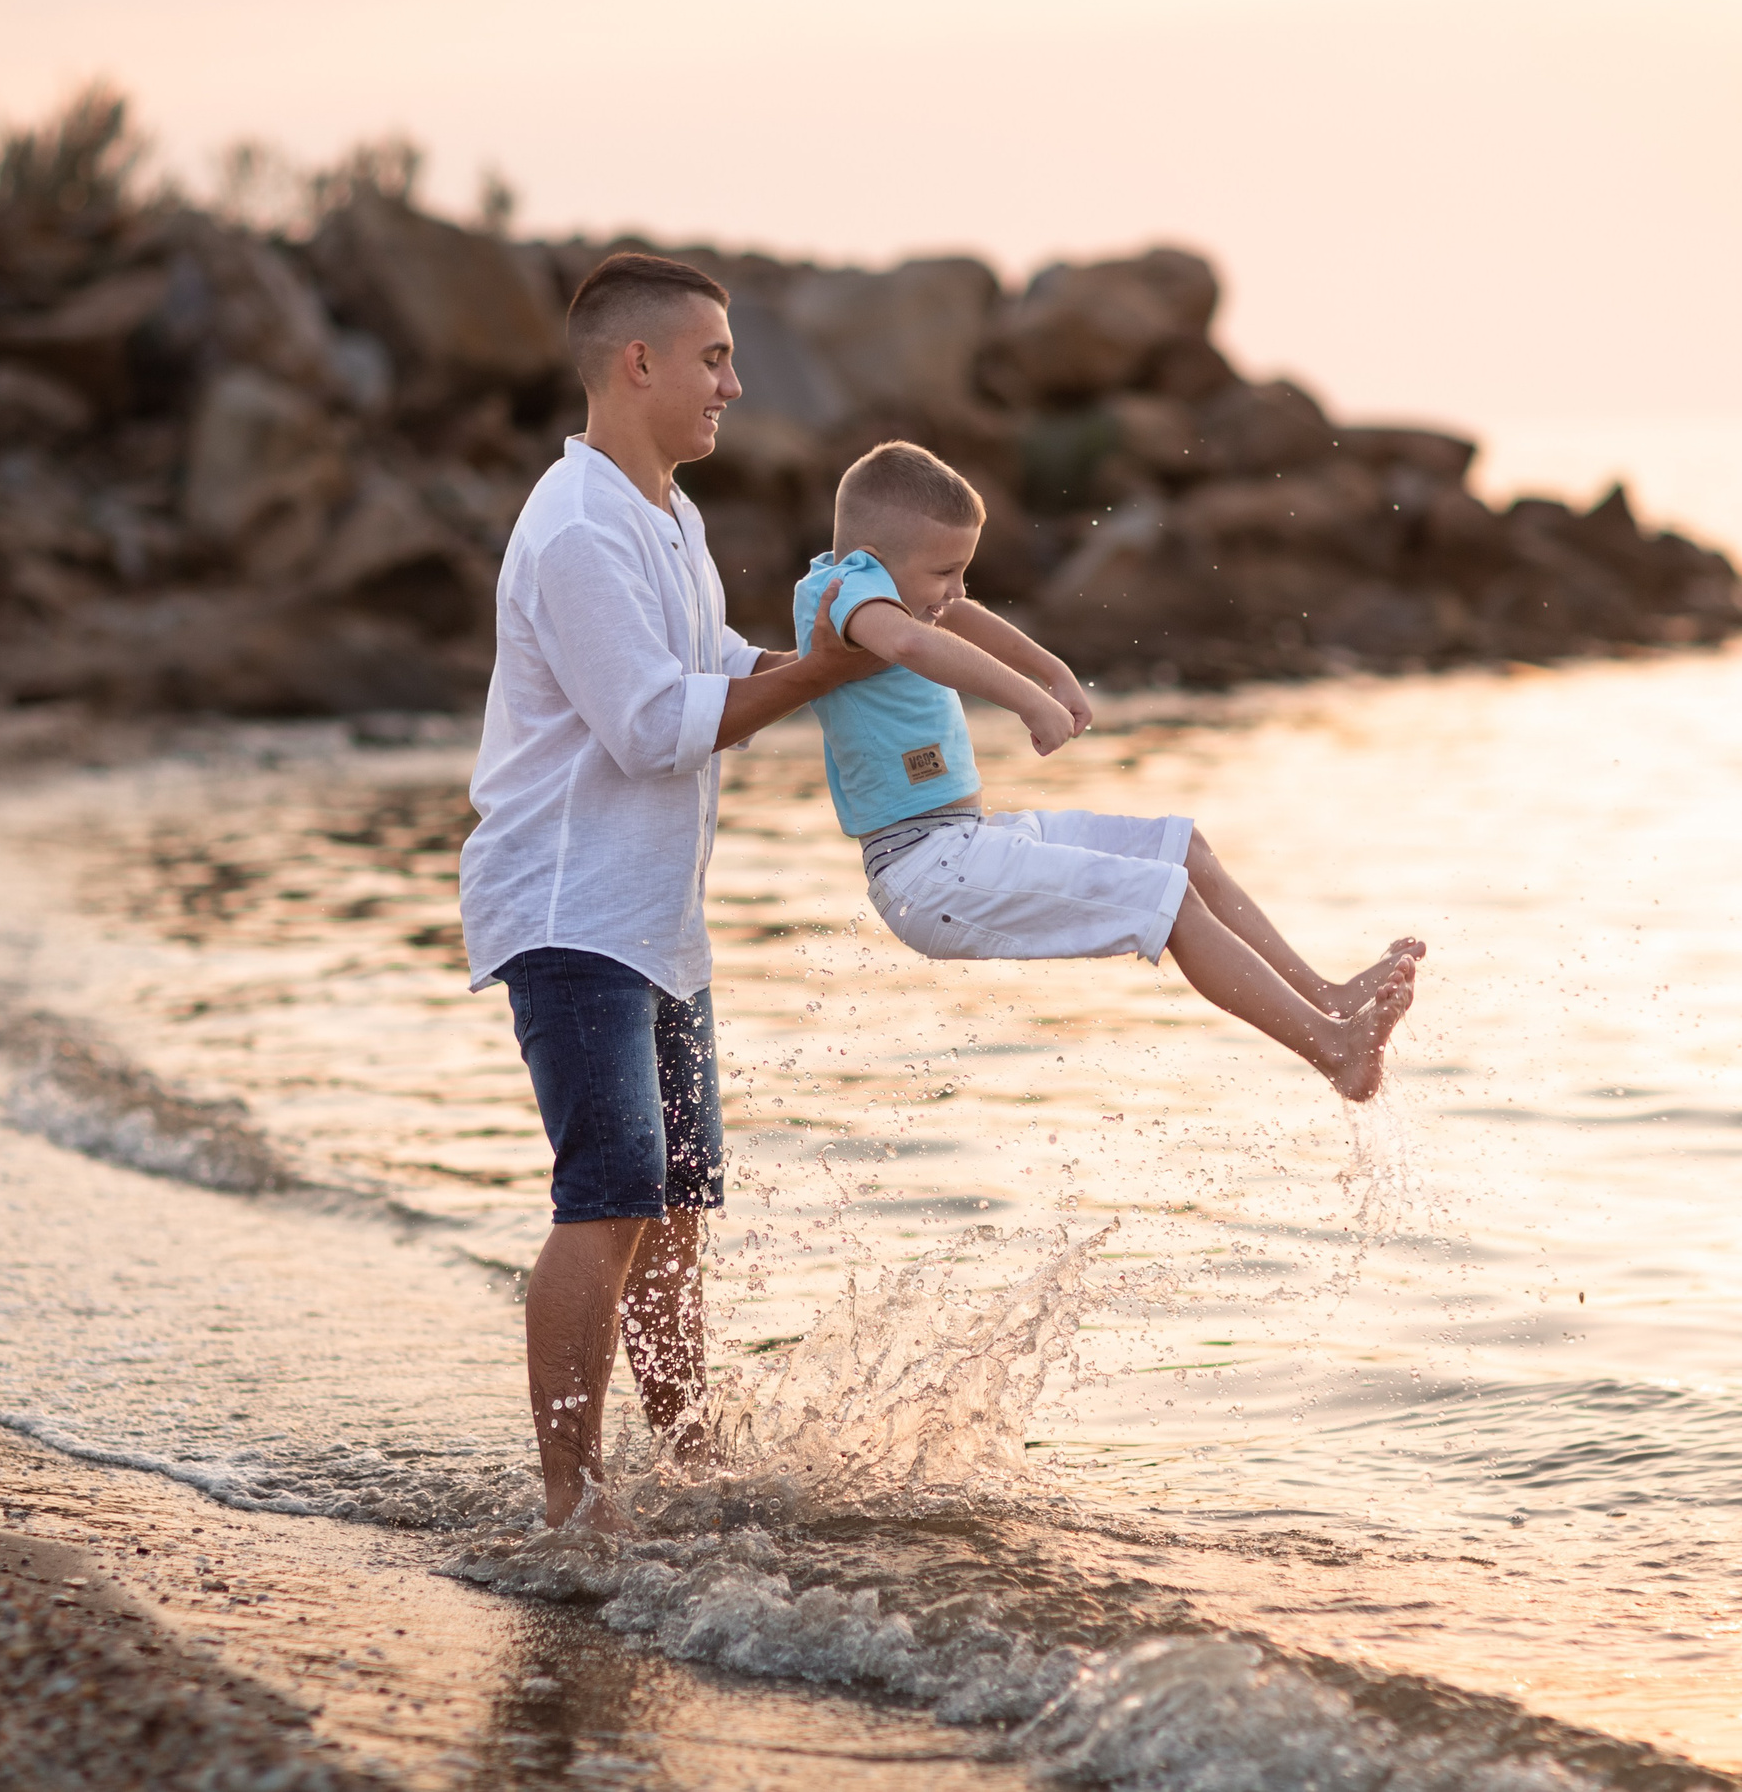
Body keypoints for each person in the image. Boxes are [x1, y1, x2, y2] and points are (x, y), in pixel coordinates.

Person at [459, 252, 879, 1529]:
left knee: (682, 1205)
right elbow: (652, 725)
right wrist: (807, 682)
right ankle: (569, 1507)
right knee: (615, 1194)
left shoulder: (669, 517)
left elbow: (712, 668)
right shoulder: (577, 526)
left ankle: (691, 1468)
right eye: (712, 357)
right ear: (635, 363)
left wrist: (839, 655)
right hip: (568, 908)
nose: (734, 385)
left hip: (658, 923)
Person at [794, 441, 1423, 1101]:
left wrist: (1053, 669)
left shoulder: (883, 584)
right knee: (1168, 897)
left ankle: (1325, 995)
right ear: (876, 557)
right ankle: (1334, 1051)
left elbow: (958, 617)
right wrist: (1028, 700)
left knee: (1185, 849)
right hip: (923, 872)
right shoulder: (843, 590)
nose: (954, 591)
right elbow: (914, 641)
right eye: (944, 572)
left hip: (965, 839)